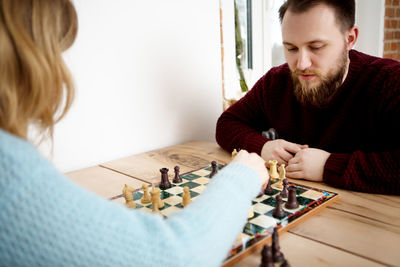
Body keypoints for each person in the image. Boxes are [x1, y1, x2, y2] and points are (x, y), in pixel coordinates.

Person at [0, 0, 269, 266]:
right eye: (54, 52)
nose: (61, 72)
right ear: (20, 57)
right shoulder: (9, 176)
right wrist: (240, 178)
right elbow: (177, 256)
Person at [216, 0, 400, 195]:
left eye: (316, 47)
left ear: (350, 39)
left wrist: (328, 166)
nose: (302, 64)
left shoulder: (390, 81)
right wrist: (263, 147)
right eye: (291, 48)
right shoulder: (276, 82)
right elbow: (227, 123)